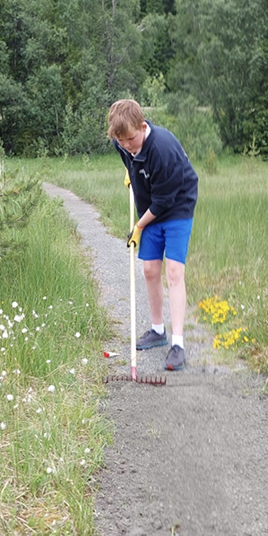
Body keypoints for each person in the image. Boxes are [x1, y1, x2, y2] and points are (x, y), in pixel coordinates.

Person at [107, 99, 198, 371]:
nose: (127, 146)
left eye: (131, 140)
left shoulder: (163, 149)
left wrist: (139, 226)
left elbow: (163, 202)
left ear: (143, 127)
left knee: (173, 272)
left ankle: (178, 344)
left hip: (177, 206)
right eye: (121, 141)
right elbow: (128, 154)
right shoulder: (122, 142)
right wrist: (130, 168)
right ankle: (158, 331)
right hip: (152, 207)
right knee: (149, 270)